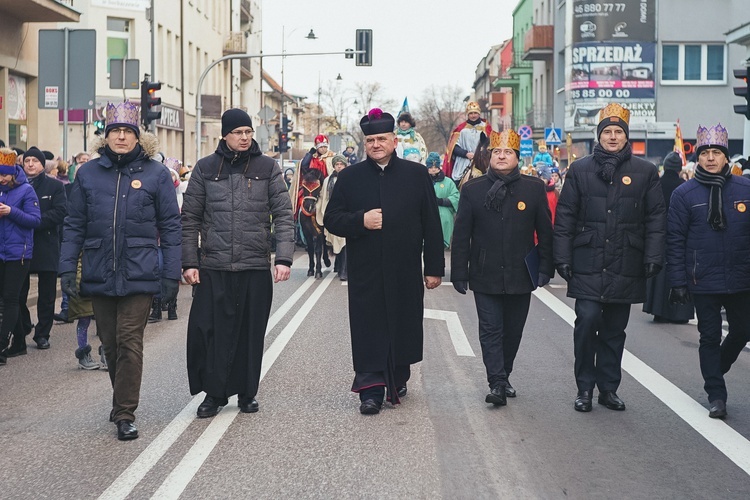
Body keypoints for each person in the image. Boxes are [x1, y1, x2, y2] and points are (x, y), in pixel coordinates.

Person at [60, 101, 182, 440]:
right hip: (100, 270)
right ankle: (120, 403)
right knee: (110, 345)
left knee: (130, 342)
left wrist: (171, 274)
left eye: (128, 132)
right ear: (106, 136)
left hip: (140, 271)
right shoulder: (88, 174)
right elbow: (73, 225)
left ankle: (125, 413)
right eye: (116, 131)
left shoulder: (155, 174)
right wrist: (67, 269)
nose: (122, 137)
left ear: (138, 137)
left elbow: (171, 226)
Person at [324, 108, 444, 415]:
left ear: (393, 140)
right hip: (365, 270)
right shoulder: (350, 177)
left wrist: (433, 269)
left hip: (404, 268)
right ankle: (371, 389)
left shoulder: (415, 175)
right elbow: (332, 219)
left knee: (402, 324)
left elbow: (431, 223)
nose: (376, 144)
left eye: (382, 138)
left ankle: (397, 377)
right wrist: (360, 221)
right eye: (370, 140)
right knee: (368, 326)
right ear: (365, 144)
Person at [181, 108, 294, 419]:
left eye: (248, 132)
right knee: (210, 332)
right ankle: (214, 394)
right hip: (214, 265)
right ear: (224, 136)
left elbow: (284, 215)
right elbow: (189, 219)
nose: (244, 138)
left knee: (250, 331)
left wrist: (283, 257)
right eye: (238, 133)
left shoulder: (267, 167)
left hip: (254, 265)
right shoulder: (205, 168)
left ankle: (247, 393)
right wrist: (189, 261)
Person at [554, 103, 665, 413]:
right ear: (598, 136)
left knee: (615, 330)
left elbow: (656, 218)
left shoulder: (645, 172)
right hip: (588, 259)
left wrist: (654, 256)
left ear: (626, 136)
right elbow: (565, 216)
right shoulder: (579, 170)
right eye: (607, 132)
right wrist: (561, 257)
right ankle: (584, 388)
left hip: (626, 260)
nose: (613, 137)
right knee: (587, 321)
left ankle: (608, 388)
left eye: (618, 132)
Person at [451, 130, 554, 406]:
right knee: (490, 329)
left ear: (517, 157)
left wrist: (546, 267)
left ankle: (504, 373)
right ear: (489, 156)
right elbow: (462, 235)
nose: (501, 156)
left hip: (521, 272)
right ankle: (496, 382)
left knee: (513, 330)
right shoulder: (473, 189)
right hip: (485, 272)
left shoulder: (533, 188)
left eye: (508, 152)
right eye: (497, 152)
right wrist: (459, 272)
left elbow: (545, 231)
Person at [667, 124, 750, 419]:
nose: (711, 158)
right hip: (703, 279)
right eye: (706, 153)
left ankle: (717, 367)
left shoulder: (745, 189)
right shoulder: (683, 194)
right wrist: (677, 281)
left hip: (741, 279)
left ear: (725, 157)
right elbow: (674, 240)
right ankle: (716, 394)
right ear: (698, 157)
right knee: (709, 337)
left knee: (743, 330)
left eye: (716, 152)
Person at [10, 147, 67, 354]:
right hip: (21, 246)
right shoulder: (15, 186)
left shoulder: (54, 186)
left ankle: (42, 333)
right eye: (27, 160)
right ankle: (24, 325)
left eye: (35, 160)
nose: (30, 164)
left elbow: (60, 212)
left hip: (47, 245)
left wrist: (32, 222)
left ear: (43, 164)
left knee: (46, 295)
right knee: (17, 293)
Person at [0, 149, 41, 365]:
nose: (1, 179)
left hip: (19, 254)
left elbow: (35, 220)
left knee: (10, 298)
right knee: (7, 299)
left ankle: (1, 346)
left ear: (13, 173)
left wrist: (10, 211)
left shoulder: (26, 191)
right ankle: (20, 344)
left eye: (4, 175)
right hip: (1, 252)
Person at [643, 151, 694, 324]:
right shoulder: (685, 186)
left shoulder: (656, 184)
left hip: (659, 235)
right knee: (679, 271)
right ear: (679, 168)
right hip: (681, 236)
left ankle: (658, 310)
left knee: (660, 274)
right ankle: (679, 313)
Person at [443, 101, 493, 184]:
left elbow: (491, 145)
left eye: (475, 113)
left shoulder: (486, 127)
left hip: (482, 161)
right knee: (456, 182)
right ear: (468, 115)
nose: (473, 115)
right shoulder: (461, 129)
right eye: (471, 113)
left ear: (479, 113)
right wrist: (466, 154)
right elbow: (453, 148)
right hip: (464, 162)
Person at [317, 154, 348, 281]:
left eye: (341, 164)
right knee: (335, 242)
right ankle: (339, 265)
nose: (339, 167)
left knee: (345, 242)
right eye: (337, 164)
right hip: (333, 213)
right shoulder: (328, 180)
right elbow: (324, 197)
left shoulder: (350, 177)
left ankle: (344, 270)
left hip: (346, 213)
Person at [425, 152, 459, 248]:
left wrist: (441, 201)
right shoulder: (422, 181)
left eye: (435, 167)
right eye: (431, 167)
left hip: (443, 213)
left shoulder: (448, 182)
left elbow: (456, 197)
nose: (433, 170)